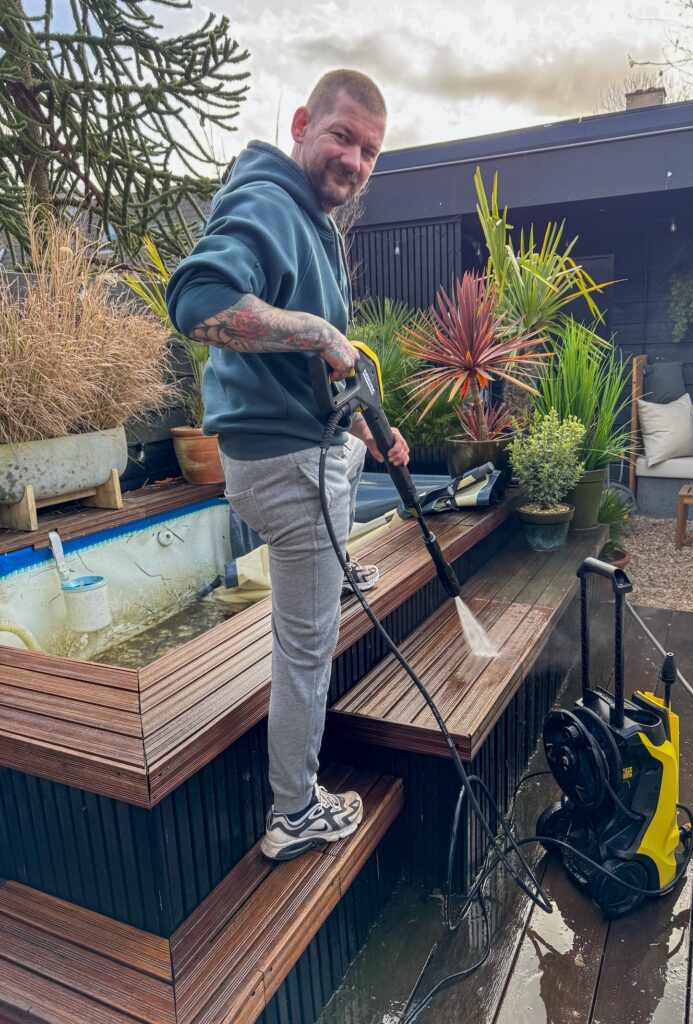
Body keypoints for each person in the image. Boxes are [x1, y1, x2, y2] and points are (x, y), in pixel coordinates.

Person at [167, 69, 409, 862]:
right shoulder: (271, 200)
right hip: (286, 467)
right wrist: (314, 329)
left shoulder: (310, 218)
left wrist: (372, 430)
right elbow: (199, 300)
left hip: (303, 452)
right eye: (342, 136)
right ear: (303, 123)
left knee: (311, 618)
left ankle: (336, 563)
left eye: (370, 150)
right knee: (305, 648)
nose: (355, 160)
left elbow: (324, 370)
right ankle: (295, 812)